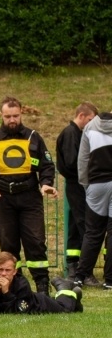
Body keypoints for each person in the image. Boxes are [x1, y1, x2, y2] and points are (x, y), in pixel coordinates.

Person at [0, 96, 58, 294]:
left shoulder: (33, 137)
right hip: (3, 199)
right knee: (8, 245)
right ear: (1, 116)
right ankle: (13, 287)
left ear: (22, 114)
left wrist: (46, 184)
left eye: (16, 116)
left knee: (35, 242)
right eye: (8, 116)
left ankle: (42, 288)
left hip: (30, 197)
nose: (12, 120)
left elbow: (47, 166)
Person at [56, 102, 100, 283]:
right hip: (77, 184)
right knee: (85, 226)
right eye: (90, 120)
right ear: (81, 116)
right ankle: (85, 271)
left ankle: (74, 266)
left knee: (76, 224)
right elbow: (71, 163)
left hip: (80, 184)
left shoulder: (79, 134)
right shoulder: (70, 134)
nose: (91, 125)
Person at [75, 110, 112, 289]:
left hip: (96, 185)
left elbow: (82, 160)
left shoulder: (90, 126)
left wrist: (86, 185)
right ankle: (110, 280)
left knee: (93, 232)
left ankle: (80, 276)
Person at [0, 251, 82, 313]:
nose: (3, 274)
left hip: (40, 304)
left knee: (65, 311)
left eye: (8, 270)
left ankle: (64, 289)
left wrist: (6, 293)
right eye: (0, 270)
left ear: (14, 272)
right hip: (31, 302)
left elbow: (19, 311)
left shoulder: (22, 283)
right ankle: (69, 294)